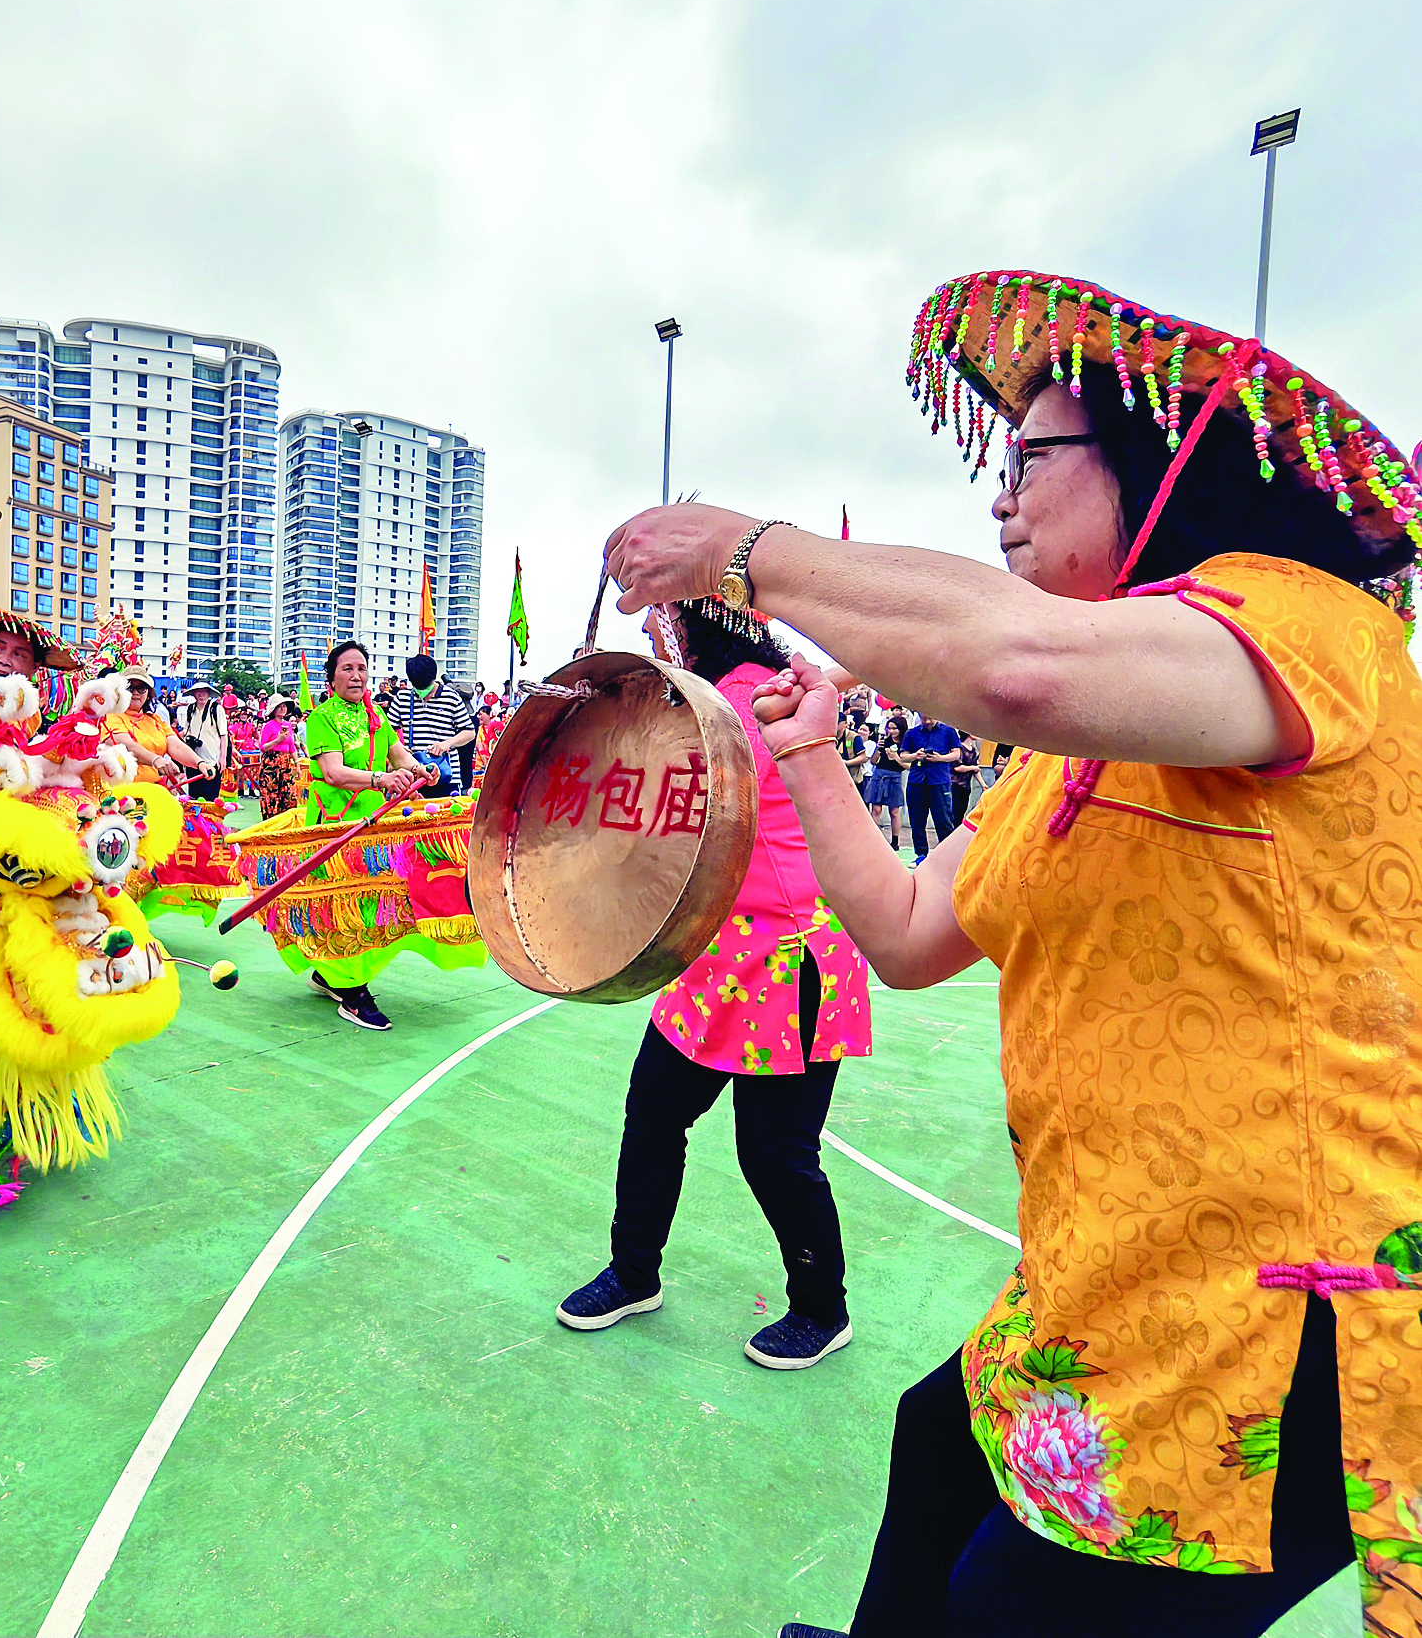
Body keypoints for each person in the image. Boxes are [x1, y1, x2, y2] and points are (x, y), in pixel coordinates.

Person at [602, 268, 1422, 1636]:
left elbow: (1015, 666)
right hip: (1112, 1271)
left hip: (1276, 1318)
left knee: (1009, 1599)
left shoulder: (1311, 624)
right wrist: (809, 755)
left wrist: (744, 550)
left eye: (1033, 457)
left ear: (1159, 466)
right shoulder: (1074, 746)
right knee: (938, 1444)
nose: (1001, 496)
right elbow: (909, 934)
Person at [557, 596, 872, 1367]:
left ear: (688, 622)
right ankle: (634, 1272)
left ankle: (821, 1308)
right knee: (653, 1113)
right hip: (714, 956)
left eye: (655, 618)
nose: (645, 632)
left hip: (789, 958)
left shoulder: (747, 702)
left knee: (775, 1151)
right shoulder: (710, 699)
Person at [286, 640, 450, 1030]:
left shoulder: (375, 714)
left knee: (378, 903)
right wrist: (382, 779)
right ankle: (353, 992)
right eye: (347, 668)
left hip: (376, 825)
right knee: (346, 905)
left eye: (362, 668)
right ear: (331, 679)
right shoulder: (322, 717)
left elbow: (398, 754)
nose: (357, 675)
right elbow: (333, 773)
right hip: (337, 827)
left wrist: (420, 769)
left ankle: (331, 975)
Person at [386, 653, 477, 798]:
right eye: (418, 687)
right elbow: (387, 732)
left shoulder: (451, 697)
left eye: (426, 686)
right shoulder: (402, 699)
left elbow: (469, 732)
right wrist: (399, 748)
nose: (424, 692)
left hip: (447, 776)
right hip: (414, 777)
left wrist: (447, 744)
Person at [109, 672, 208, 785]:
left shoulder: (156, 719)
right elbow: (126, 745)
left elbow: (176, 745)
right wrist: (155, 760)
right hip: (120, 788)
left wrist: (199, 763)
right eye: (130, 687)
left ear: (148, 694)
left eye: (141, 688)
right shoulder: (111, 717)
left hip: (152, 785)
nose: (135, 692)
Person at [899, 708, 961, 861]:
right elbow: (903, 756)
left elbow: (956, 754)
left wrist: (941, 758)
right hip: (916, 780)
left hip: (939, 780)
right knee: (917, 819)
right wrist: (915, 755)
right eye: (924, 718)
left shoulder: (948, 731)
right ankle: (921, 854)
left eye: (930, 718)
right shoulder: (911, 733)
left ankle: (947, 855)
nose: (927, 721)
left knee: (943, 819)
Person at [252, 693, 304, 819]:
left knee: (288, 794)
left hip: (286, 763)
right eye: (279, 706)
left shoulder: (288, 725)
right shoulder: (268, 726)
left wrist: (297, 764)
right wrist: (278, 739)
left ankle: (285, 821)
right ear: (274, 710)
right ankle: (271, 821)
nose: (282, 709)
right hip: (271, 763)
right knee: (271, 794)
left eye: (284, 706)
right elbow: (263, 747)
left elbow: (291, 746)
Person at [177, 682, 231, 802]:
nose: (201, 695)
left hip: (212, 759)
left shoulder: (216, 709)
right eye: (198, 692)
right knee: (193, 798)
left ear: (208, 694)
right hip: (193, 760)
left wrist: (223, 757)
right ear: (194, 694)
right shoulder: (190, 709)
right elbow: (186, 729)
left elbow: (223, 735)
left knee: (211, 798)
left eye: (204, 692)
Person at [862, 712, 908, 848]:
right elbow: (873, 761)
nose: (891, 731)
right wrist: (878, 748)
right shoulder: (884, 741)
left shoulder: (906, 744)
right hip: (879, 775)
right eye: (889, 728)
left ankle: (895, 841)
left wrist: (896, 757)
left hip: (895, 777)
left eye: (894, 728)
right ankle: (874, 840)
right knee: (876, 809)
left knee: (894, 811)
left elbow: (908, 766)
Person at [949, 732, 982, 825]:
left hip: (966, 785)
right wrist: (972, 768)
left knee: (962, 810)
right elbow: (957, 767)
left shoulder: (973, 751)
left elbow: (976, 770)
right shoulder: (959, 749)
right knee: (954, 810)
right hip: (955, 784)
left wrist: (983, 784)